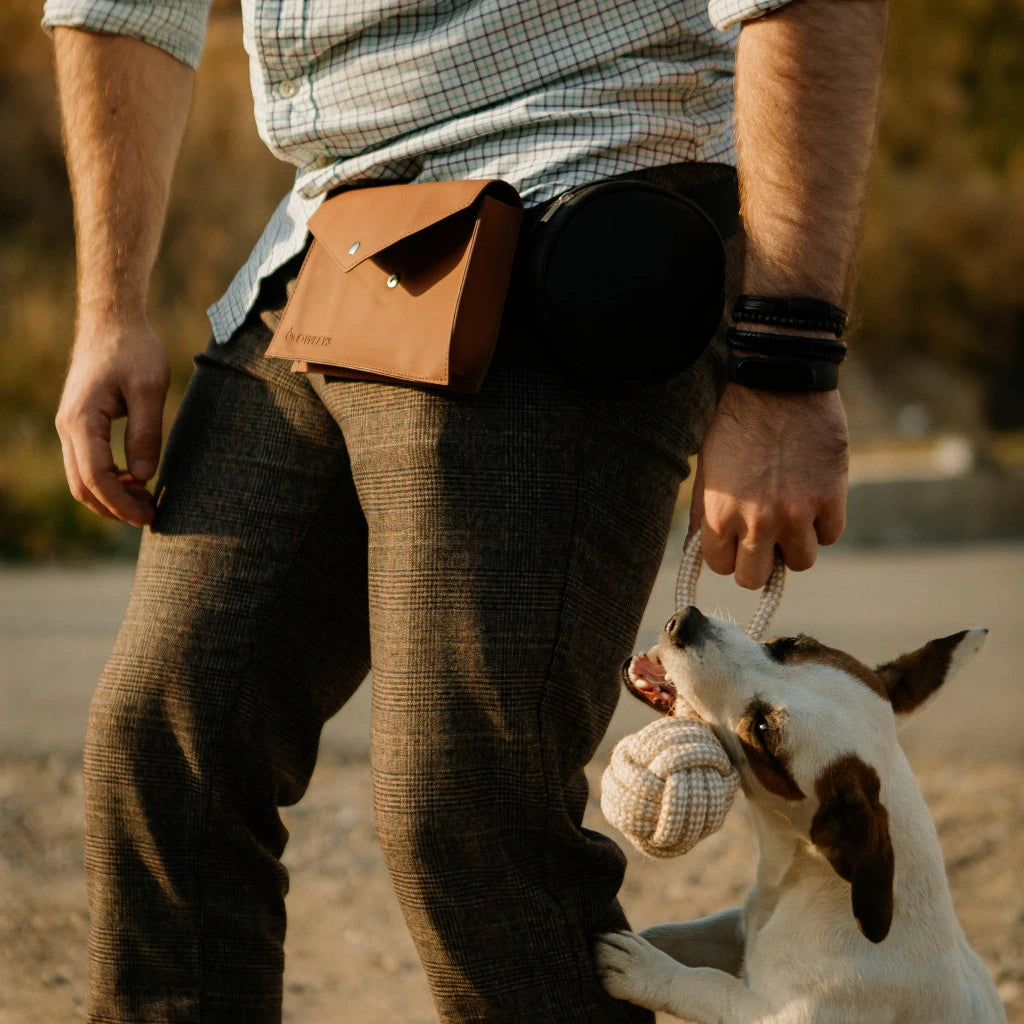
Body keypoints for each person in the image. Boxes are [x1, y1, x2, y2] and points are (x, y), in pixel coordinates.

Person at [42, 0, 887, 1020]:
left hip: (580, 186)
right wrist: (108, 310)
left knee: (465, 804)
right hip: (328, 232)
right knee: (168, 737)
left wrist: (786, 361)